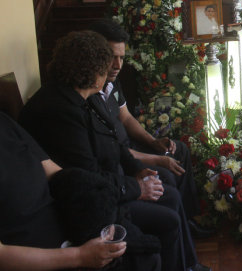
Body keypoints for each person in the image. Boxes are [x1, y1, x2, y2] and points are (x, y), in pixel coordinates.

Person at [19, 31, 209, 271]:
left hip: (107, 186)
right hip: (87, 205)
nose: (113, 68)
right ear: (94, 69)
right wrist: (135, 188)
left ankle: (188, 264)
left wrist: (139, 171)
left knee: (168, 193)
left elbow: (115, 145)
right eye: (108, 63)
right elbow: (88, 177)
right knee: (167, 219)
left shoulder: (83, 96)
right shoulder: (60, 111)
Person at [89, 19, 212, 238]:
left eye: (122, 58)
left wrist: (153, 142)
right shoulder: (90, 93)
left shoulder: (112, 82)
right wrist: (157, 159)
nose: (117, 65)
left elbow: (126, 118)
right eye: (111, 57)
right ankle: (180, 227)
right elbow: (115, 151)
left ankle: (189, 219)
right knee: (166, 171)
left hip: (129, 145)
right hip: (122, 158)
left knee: (179, 150)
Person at [0, 112, 160, 271]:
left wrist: (102, 213)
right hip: (43, 255)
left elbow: (58, 174)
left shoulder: (5, 123)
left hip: (67, 223)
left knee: (147, 258)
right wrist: (79, 256)